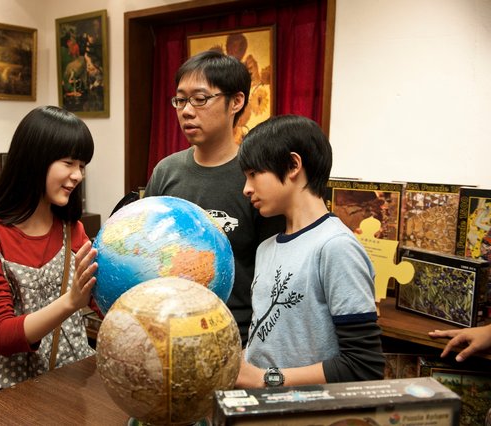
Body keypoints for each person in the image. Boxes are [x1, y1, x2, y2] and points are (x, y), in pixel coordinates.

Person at [144, 50, 283, 344]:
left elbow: (274, 275)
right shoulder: (166, 171)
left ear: (236, 102)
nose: (186, 111)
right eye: (180, 100)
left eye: (200, 99)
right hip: (169, 331)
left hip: (234, 337)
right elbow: (147, 252)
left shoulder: (257, 178)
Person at [235, 115, 384, 388]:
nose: (246, 189)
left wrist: (266, 379)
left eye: (254, 174)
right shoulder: (266, 248)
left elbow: (363, 365)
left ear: (293, 165)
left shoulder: (336, 247)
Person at [0, 105, 97, 389]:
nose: (77, 176)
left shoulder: (72, 229)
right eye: (69, 163)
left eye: (82, 166)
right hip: (8, 395)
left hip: (69, 385)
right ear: (35, 159)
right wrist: (71, 301)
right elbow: (2, 337)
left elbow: (101, 298)